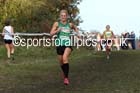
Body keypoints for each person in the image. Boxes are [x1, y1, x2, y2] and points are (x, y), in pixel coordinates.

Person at [50, 10, 79, 85]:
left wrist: (77, 34)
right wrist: (57, 30)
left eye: (64, 16)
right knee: (61, 62)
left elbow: (75, 28)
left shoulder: (70, 24)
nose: (63, 17)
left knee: (65, 58)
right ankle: (64, 73)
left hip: (67, 44)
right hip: (59, 44)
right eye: (62, 16)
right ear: (60, 16)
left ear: (67, 17)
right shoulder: (57, 24)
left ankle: (66, 78)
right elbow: (51, 33)